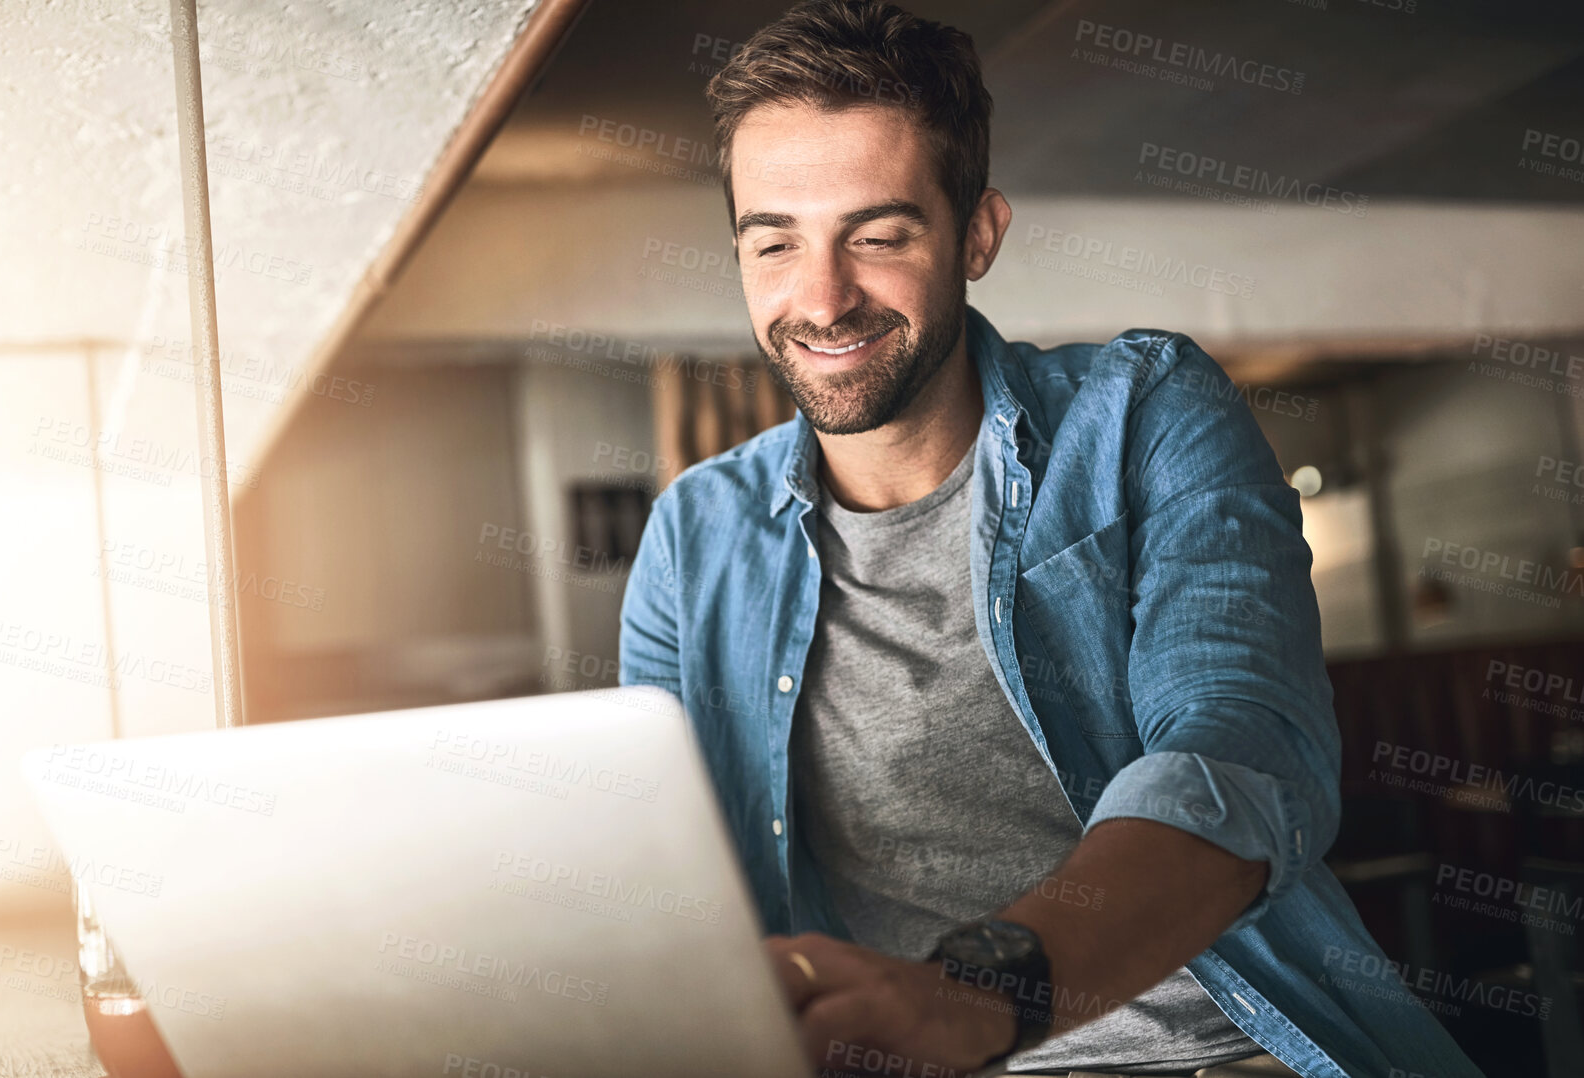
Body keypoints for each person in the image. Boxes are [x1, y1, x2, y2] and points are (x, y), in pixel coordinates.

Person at [617, 3, 1486, 1076]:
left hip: (1218, 1053)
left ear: (977, 233)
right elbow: (662, 870)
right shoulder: (693, 535)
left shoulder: (1145, 413)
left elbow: (1240, 750)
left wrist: (971, 996)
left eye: (879, 236)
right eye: (775, 243)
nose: (822, 296)